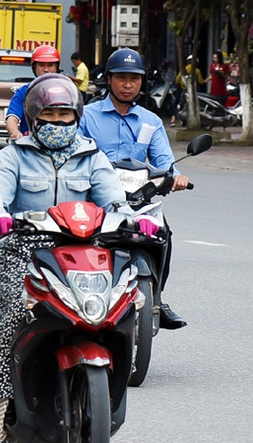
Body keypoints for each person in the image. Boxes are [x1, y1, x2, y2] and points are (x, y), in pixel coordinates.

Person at [0, 73, 156, 441]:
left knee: (125, 301)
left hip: (84, 250)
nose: (58, 123)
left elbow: (114, 200)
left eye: (65, 116)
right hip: (24, 247)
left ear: (76, 117)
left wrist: (138, 220)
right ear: (35, 118)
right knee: (10, 314)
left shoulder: (92, 157)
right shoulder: (14, 156)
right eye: (50, 116)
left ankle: (113, 375)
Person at [79, 47, 188, 330]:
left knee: (163, 233)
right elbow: (75, 154)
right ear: (109, 80)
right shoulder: (87, 116)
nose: (128, 85)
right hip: (97, 199)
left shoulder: (150, 122)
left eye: (134, 79)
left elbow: (164, 160)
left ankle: (157, 297)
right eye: (122, 78)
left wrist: (175, 176)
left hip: (139, 199)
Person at [5, 45, 60, 139]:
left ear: (56, 67)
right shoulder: (23, 92)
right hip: (30, 144)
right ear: (34, 67)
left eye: (50, 65)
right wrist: (15, 133)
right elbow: (11, 118)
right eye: (41, 65)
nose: (46, 69)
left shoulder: (65, 91)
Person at [171, 54, 208, 127]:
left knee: (176, 103)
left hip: (183, 90)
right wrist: (206, 80)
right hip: (193, 91)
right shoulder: (197, 71)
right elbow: (201, 81)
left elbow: (177, 79)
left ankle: (173, 120)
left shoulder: (183, 69)